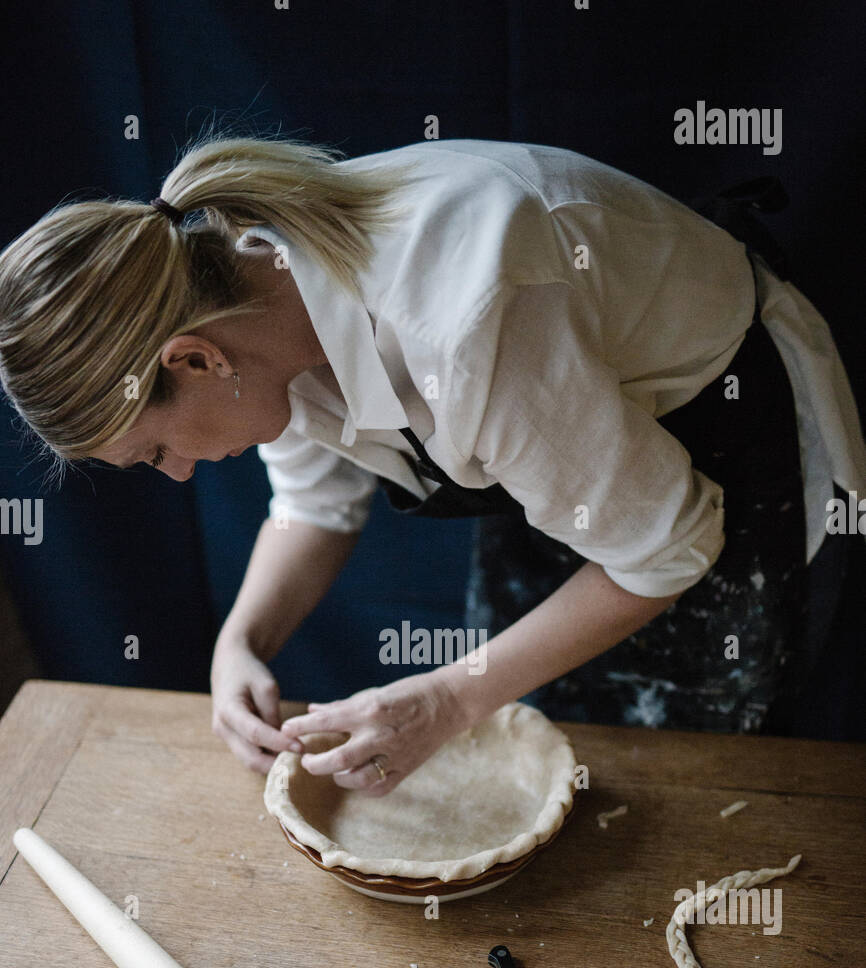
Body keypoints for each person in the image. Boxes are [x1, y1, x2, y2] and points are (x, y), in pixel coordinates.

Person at [1, 134, 863, 794]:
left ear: (194, 361)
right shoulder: (252, 302)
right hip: (571, 455)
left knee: (694, 778)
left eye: (154, 450)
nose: (179, 475)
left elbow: (665, 550)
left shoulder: (467, 315)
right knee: (545, 740)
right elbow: (314, 506)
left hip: (720, 421)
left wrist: (449, 700)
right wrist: (240, 642)